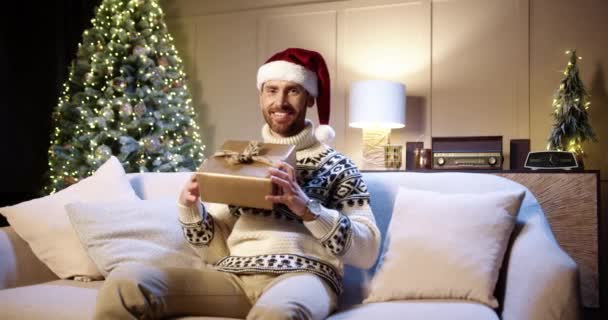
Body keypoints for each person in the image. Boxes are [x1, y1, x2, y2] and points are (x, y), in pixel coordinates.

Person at [94, 48, 381, 320]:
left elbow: (366, 252)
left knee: (278, 313)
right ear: (260, 97)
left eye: (292, 90)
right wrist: (190, 208)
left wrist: (307, 208)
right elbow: (215, 251)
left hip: (303, 277)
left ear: (310, 99)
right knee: (126, 282)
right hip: (232, 277)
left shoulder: (338, 165)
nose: (279, 101)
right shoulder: (241, 160)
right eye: (271, 90)